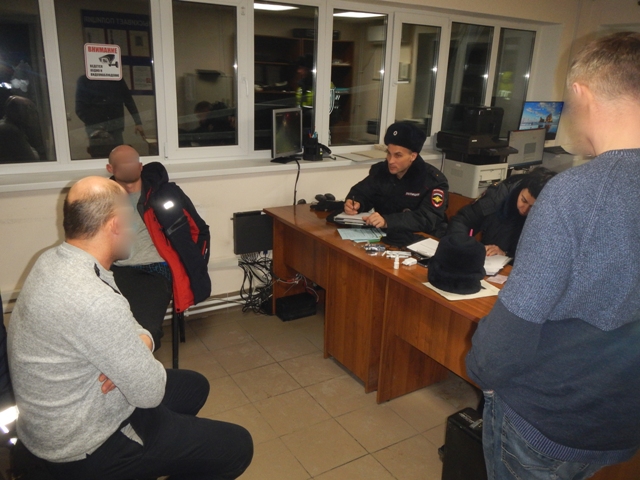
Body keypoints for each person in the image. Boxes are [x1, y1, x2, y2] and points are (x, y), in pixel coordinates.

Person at [466, 32, 640, 480]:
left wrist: (481, 369)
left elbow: (509, 336)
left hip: (546, 422)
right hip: (619, 421)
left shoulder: (575, 193)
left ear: (581, 93)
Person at [7, 176, 252, 479]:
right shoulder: (92, 299)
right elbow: (150, 393)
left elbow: (127, 322)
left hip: (58, 421)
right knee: (237, 446)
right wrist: (132, 360)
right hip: (85, 445)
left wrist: (140, 344)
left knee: (194, 386)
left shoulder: (56, 260)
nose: (135, 229)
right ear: (114, 225)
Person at [107, 145, 211, 349]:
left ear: (140, 166)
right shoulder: (102, 198)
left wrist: (193, 263)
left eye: (132, 163)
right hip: (116, 268)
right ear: (110, 168)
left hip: (156, 268)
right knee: (105, 326)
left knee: (145, 330)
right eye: (122, 164)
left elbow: (199, 230)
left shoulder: (166, 194)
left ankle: (139, 365)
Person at [344, 122, 449, 236]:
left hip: (422, 238)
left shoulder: (433, 181)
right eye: (389, 153)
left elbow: (428, 218)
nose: (391, 161)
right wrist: (356, 203)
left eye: (398, 155)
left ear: (413, 156)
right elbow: (362, 192)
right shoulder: (381, 171)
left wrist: (388, 221)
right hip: (387, 235)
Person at [446, 167, 556, 257]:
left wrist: (506, 255)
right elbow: (463, 220)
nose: (525, 209)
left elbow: (543, 257)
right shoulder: (498, 196)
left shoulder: (552, 217)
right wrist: (463, 244)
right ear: (521, 189)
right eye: (523, 200)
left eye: (533, 207)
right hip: (487, 260)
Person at [75, 75, 146, 147]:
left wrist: (138, 122)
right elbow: (80, 109)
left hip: (115, 127)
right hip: (96, 129)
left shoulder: (116, 78)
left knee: (118, 152)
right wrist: (97, 126)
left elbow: (128, 100)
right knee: (100, 152)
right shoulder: (85, 80)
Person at [0, 95, 43, 163]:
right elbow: (31, 159)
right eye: (31, 111)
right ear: (17, 113)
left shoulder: (8, 126)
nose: (35, 116)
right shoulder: (9, 130)